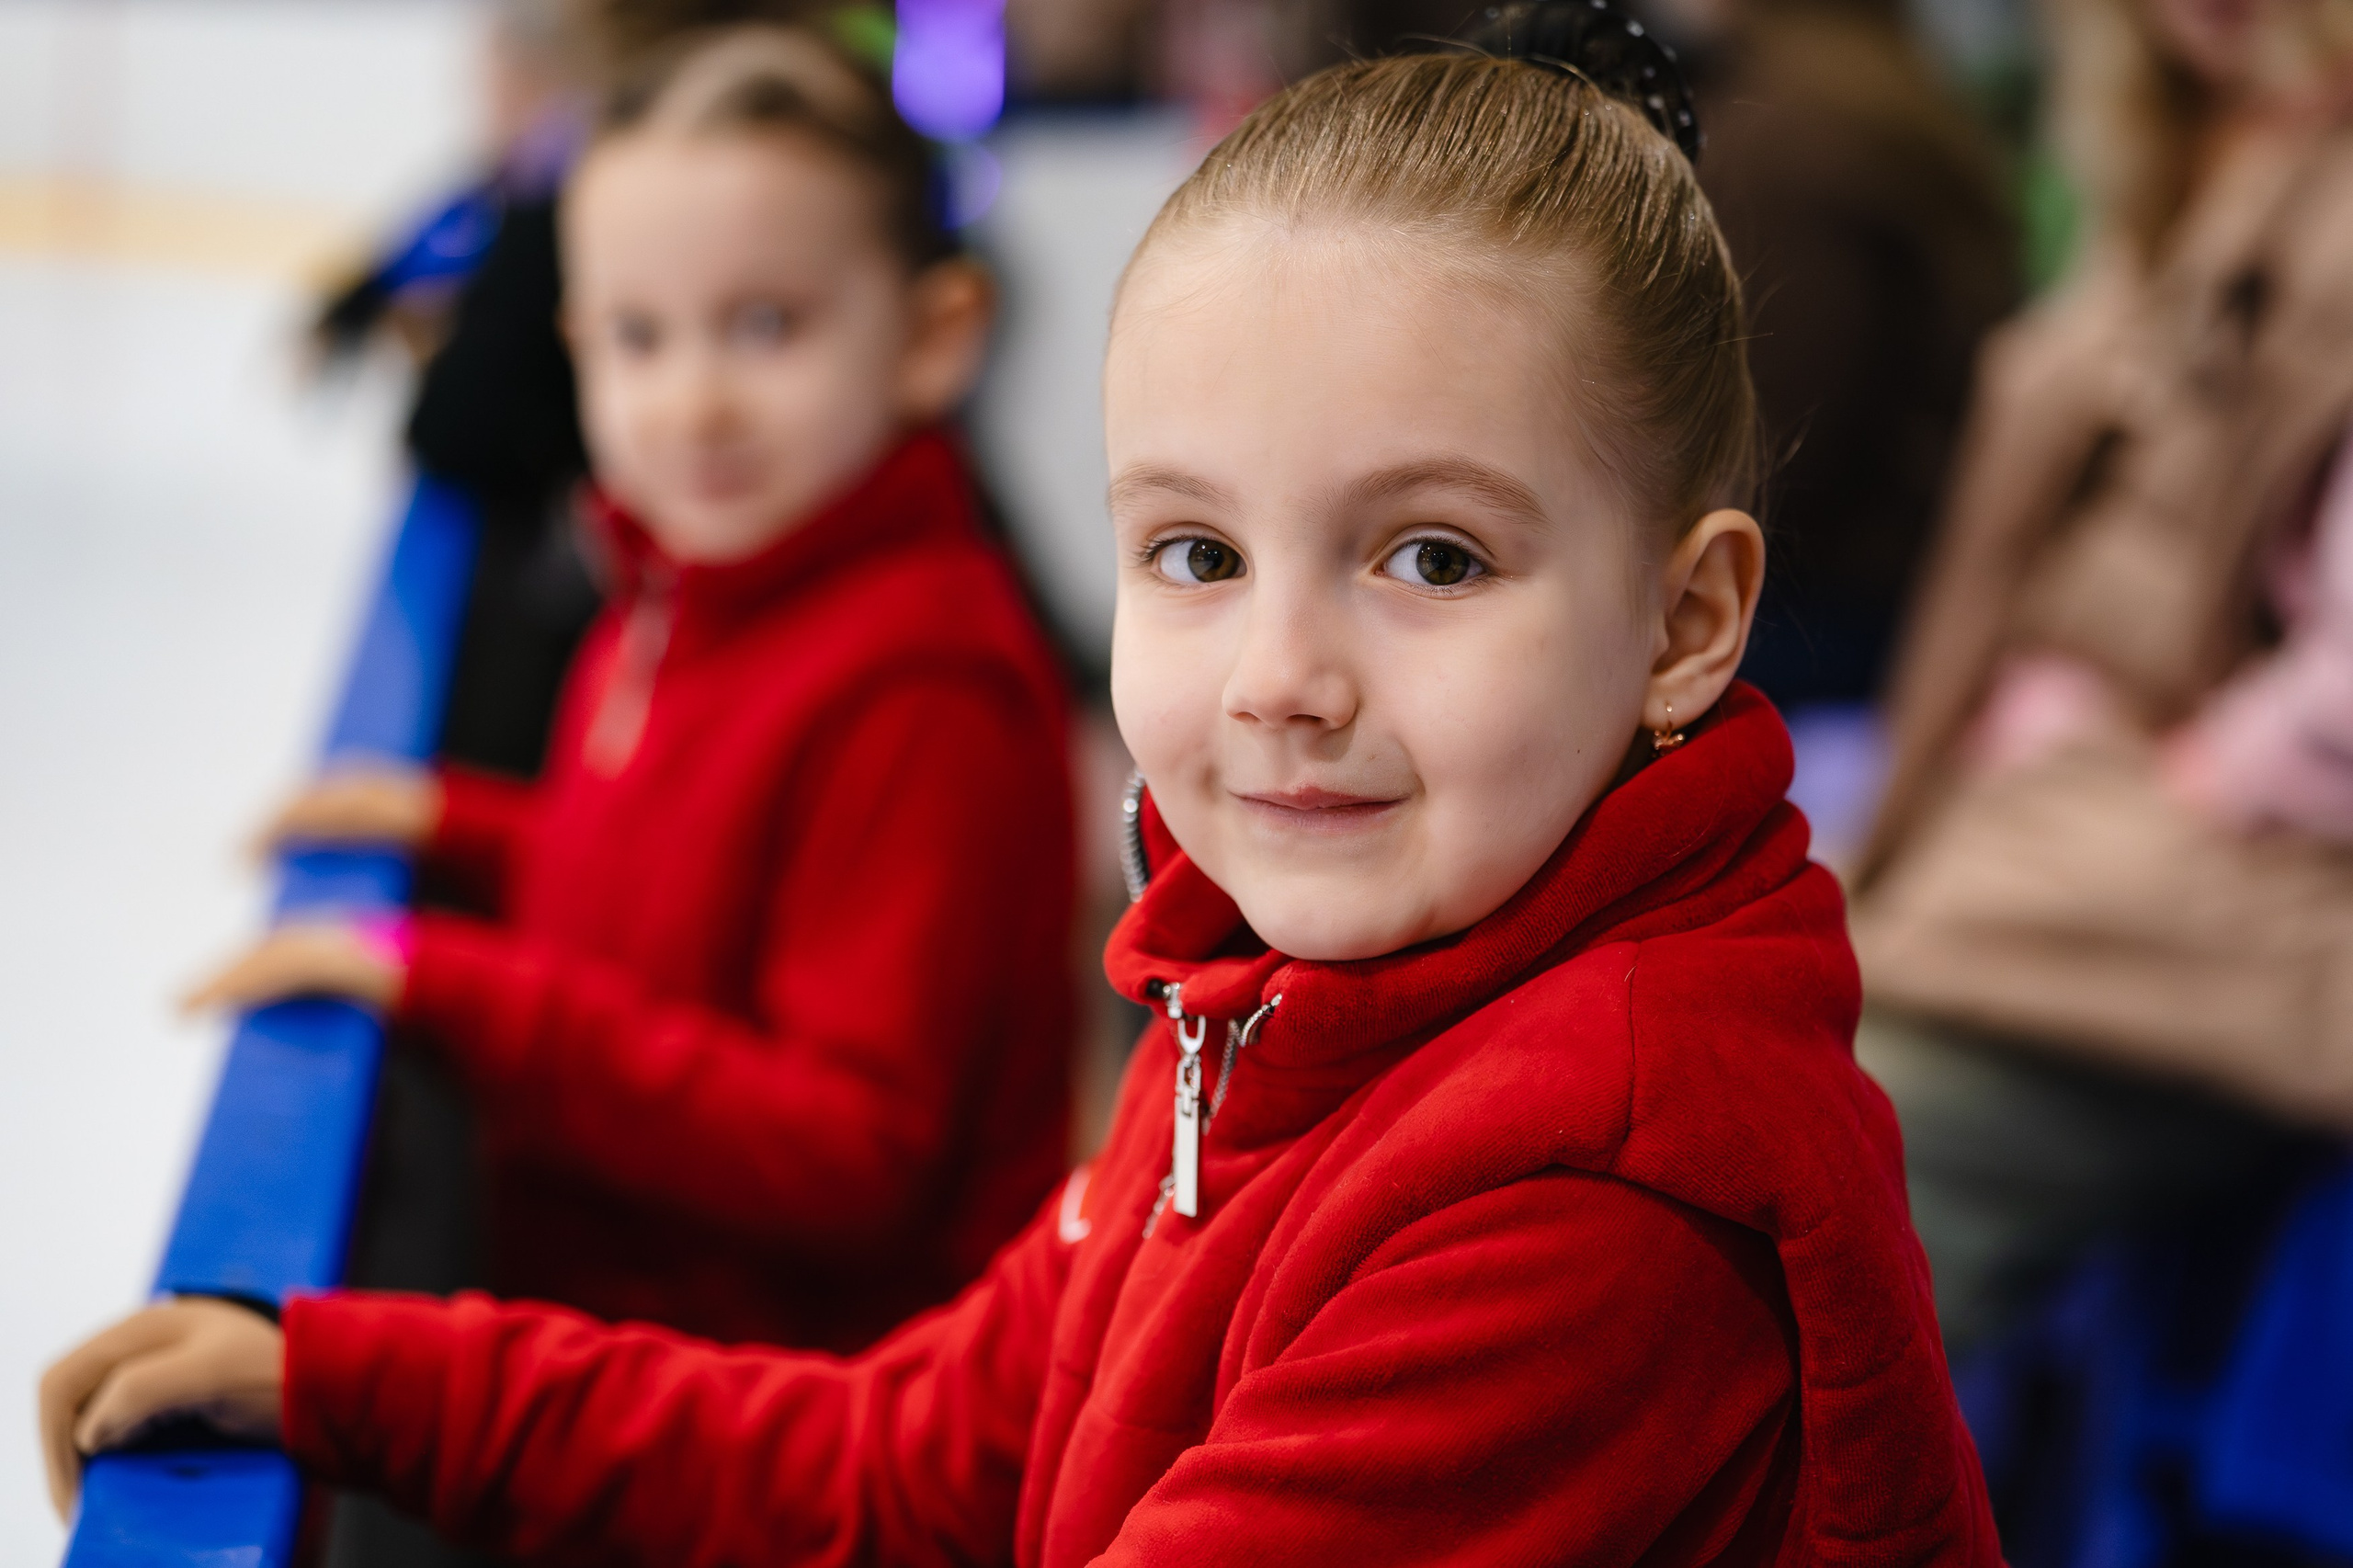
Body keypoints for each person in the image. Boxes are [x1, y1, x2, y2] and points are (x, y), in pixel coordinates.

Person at [41, 12, 1997, 1562]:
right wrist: (358, 1376)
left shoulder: (1590, 1200)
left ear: (1682, 619)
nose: (1281, 683)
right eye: (1194, 555)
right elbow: (913, 1452)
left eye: (1429, 559)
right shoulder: (1251, 993)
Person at [181, 27, 1077, 1358]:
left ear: (933, 337)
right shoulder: (691, 582)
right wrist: (460, 828)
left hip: (774, 1425)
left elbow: (851, 1150)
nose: (695, 400)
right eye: (638, 337)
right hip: (637, 1367)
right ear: (576, 347)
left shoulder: (920, 689)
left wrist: (453, 987)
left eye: (767, 325)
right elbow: (679, 902)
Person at [1849, 0, 2353, 1353]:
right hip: (2052, 837)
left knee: (1841, 1174)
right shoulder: (2181, 166)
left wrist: (2203, 771)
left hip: (2205, 887)